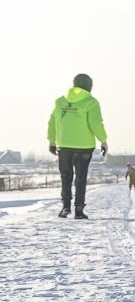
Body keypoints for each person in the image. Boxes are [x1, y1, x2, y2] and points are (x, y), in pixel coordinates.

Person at [47, 73, 108, 219]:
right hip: (84, 147)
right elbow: (95, 124)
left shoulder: (60, 102)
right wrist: (103, 141)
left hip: (64, 146)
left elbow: (52, 122)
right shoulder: (91, 102)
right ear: (89, 87)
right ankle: (79, 210)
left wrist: (52, 142)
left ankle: (65, 207)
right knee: (80, 178)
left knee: (65, 176)